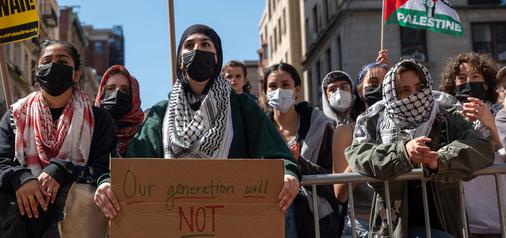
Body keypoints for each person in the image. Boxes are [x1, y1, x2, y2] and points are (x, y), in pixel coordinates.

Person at [93, 25, 301, 235]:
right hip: (171, 226)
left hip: (230, 226)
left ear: (217, 57)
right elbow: (132, 164)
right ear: (180, 60)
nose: (197, 50)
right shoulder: (160, 112)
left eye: (205, 45)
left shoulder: (242, 107)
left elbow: (276, 154)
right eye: (189, 45)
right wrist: (108, 182)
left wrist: (289, 174)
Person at [346, 59, 494, 237]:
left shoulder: (448, 113)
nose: (415, 95)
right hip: (392, 226)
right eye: (405, 90)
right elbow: (358, 155)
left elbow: (480, 147)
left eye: (420, 87)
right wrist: (403, 152)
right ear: (393, 93)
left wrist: (440, 160)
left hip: (444, 221)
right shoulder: (374, 119)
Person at [0, 40, 116, 238]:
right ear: (37, 73)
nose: (53, 65)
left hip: (70, 218)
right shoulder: (15, 115)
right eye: (46, 61)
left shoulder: (98, 119)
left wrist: (62, 169)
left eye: (62, 61)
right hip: (22, 217)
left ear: (76, 74)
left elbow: (104, 168)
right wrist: (20, 179)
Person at [263, 63, 339, 237]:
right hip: (271, 217)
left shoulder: (320, 126)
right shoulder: (259, 130)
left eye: (285, 85)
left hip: (315, 220)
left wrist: (300, 162)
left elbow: (332, 181)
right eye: (273, 86)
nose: (279, 91)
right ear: (265, 92)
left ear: (297, 90)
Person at [439, 52, 504, 237]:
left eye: (475, 76)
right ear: (453, 84)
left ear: (485, 83)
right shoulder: (445, 117)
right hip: (466, 221)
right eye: (461, 78)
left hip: (500, 214)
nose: (468, 82)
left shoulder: (501, 113)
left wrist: (490, 123)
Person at [332, 62, 389, 238]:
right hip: (361, 227)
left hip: (400, 225)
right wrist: (364, 145)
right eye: (372, 83)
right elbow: (340, 193)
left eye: (385, 82)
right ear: (359, 90)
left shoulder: (405, 127)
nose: (379, 88)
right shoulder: (345, 131)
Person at [94, 65, 145, 157]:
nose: (117, 93)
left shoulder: (144, 135)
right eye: (111, 89)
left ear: (134, 97)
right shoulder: (90, 131)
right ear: (101, 94)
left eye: (124, 90)